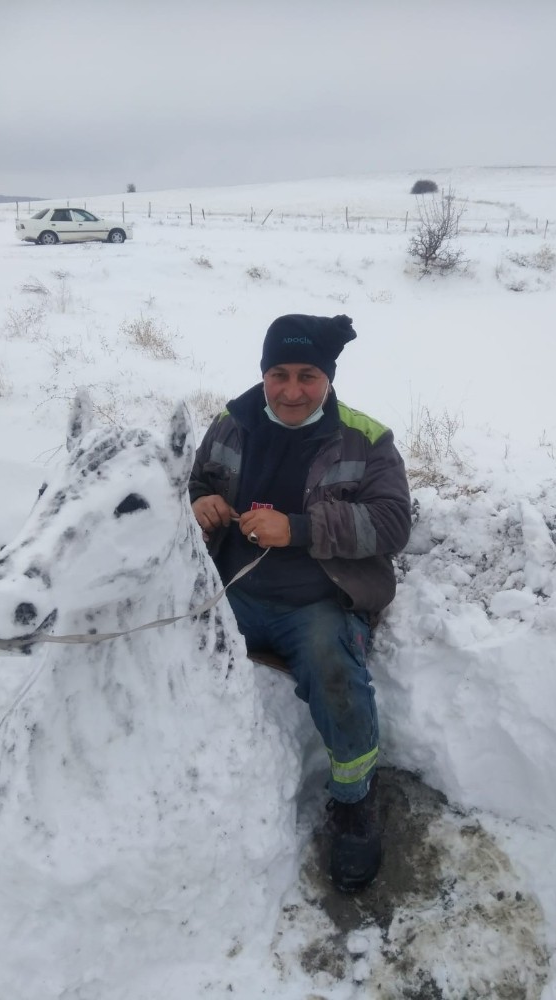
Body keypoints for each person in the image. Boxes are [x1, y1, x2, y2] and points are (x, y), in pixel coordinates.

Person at [189, 313, 412, 892]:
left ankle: (354, 801)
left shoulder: (366, 438)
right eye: (278, 374)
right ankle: (193, 785)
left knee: (333, 672)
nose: (291, 391)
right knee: (170, 659)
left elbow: (391, 525)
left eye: (307, 376)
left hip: (316, 601)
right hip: (228, 593)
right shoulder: (229, 424)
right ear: (263, 374)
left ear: (329, 378)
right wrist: (201, 504)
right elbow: (196, 482)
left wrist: (301, 528)